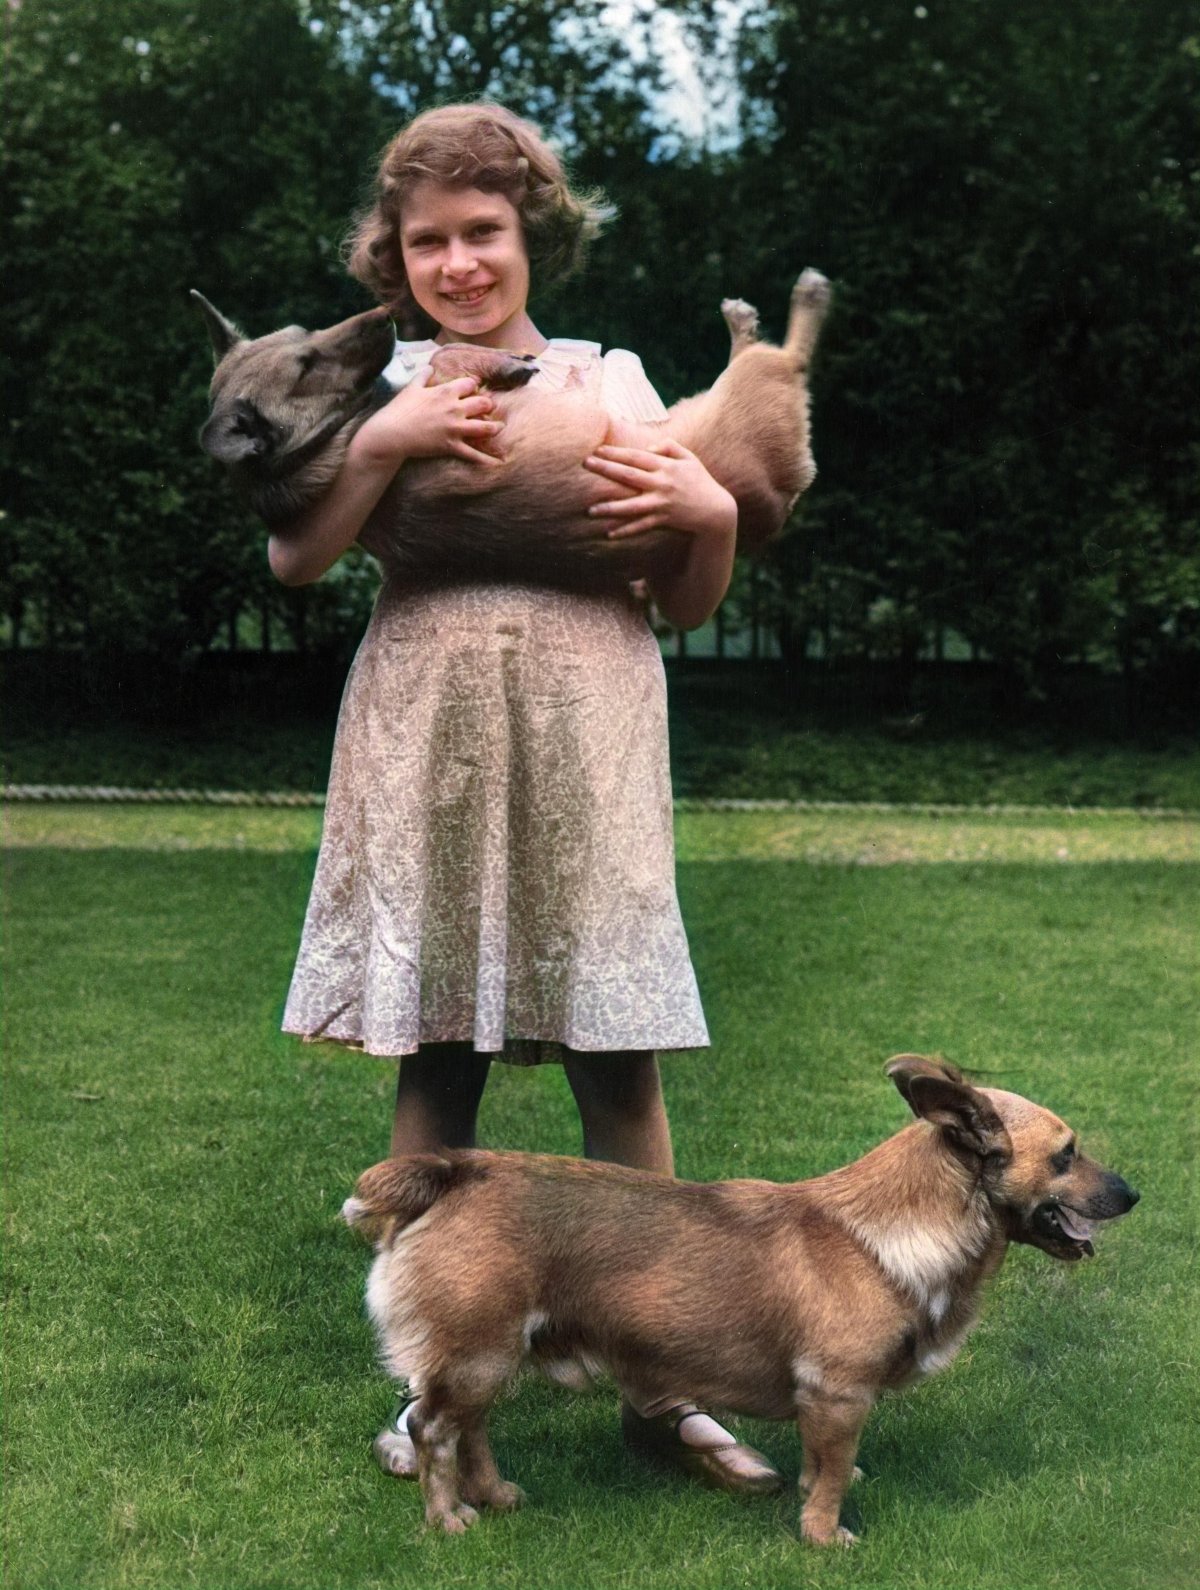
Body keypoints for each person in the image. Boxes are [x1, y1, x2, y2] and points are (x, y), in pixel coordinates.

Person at [269, 102, 781, 1496]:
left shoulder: (612, 380)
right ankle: (426, 1392)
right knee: (442, 1051)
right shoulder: (362, 386)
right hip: (427, 719)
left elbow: (678, 598)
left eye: (482, 232)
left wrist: (715, 522)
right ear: (395, 253)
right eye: (427, 240)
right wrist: (381, 445)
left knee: (620, 1053)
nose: (459, 262)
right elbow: (295, 558)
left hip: (591, 717)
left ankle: (664, 1385)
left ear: (530, 232)